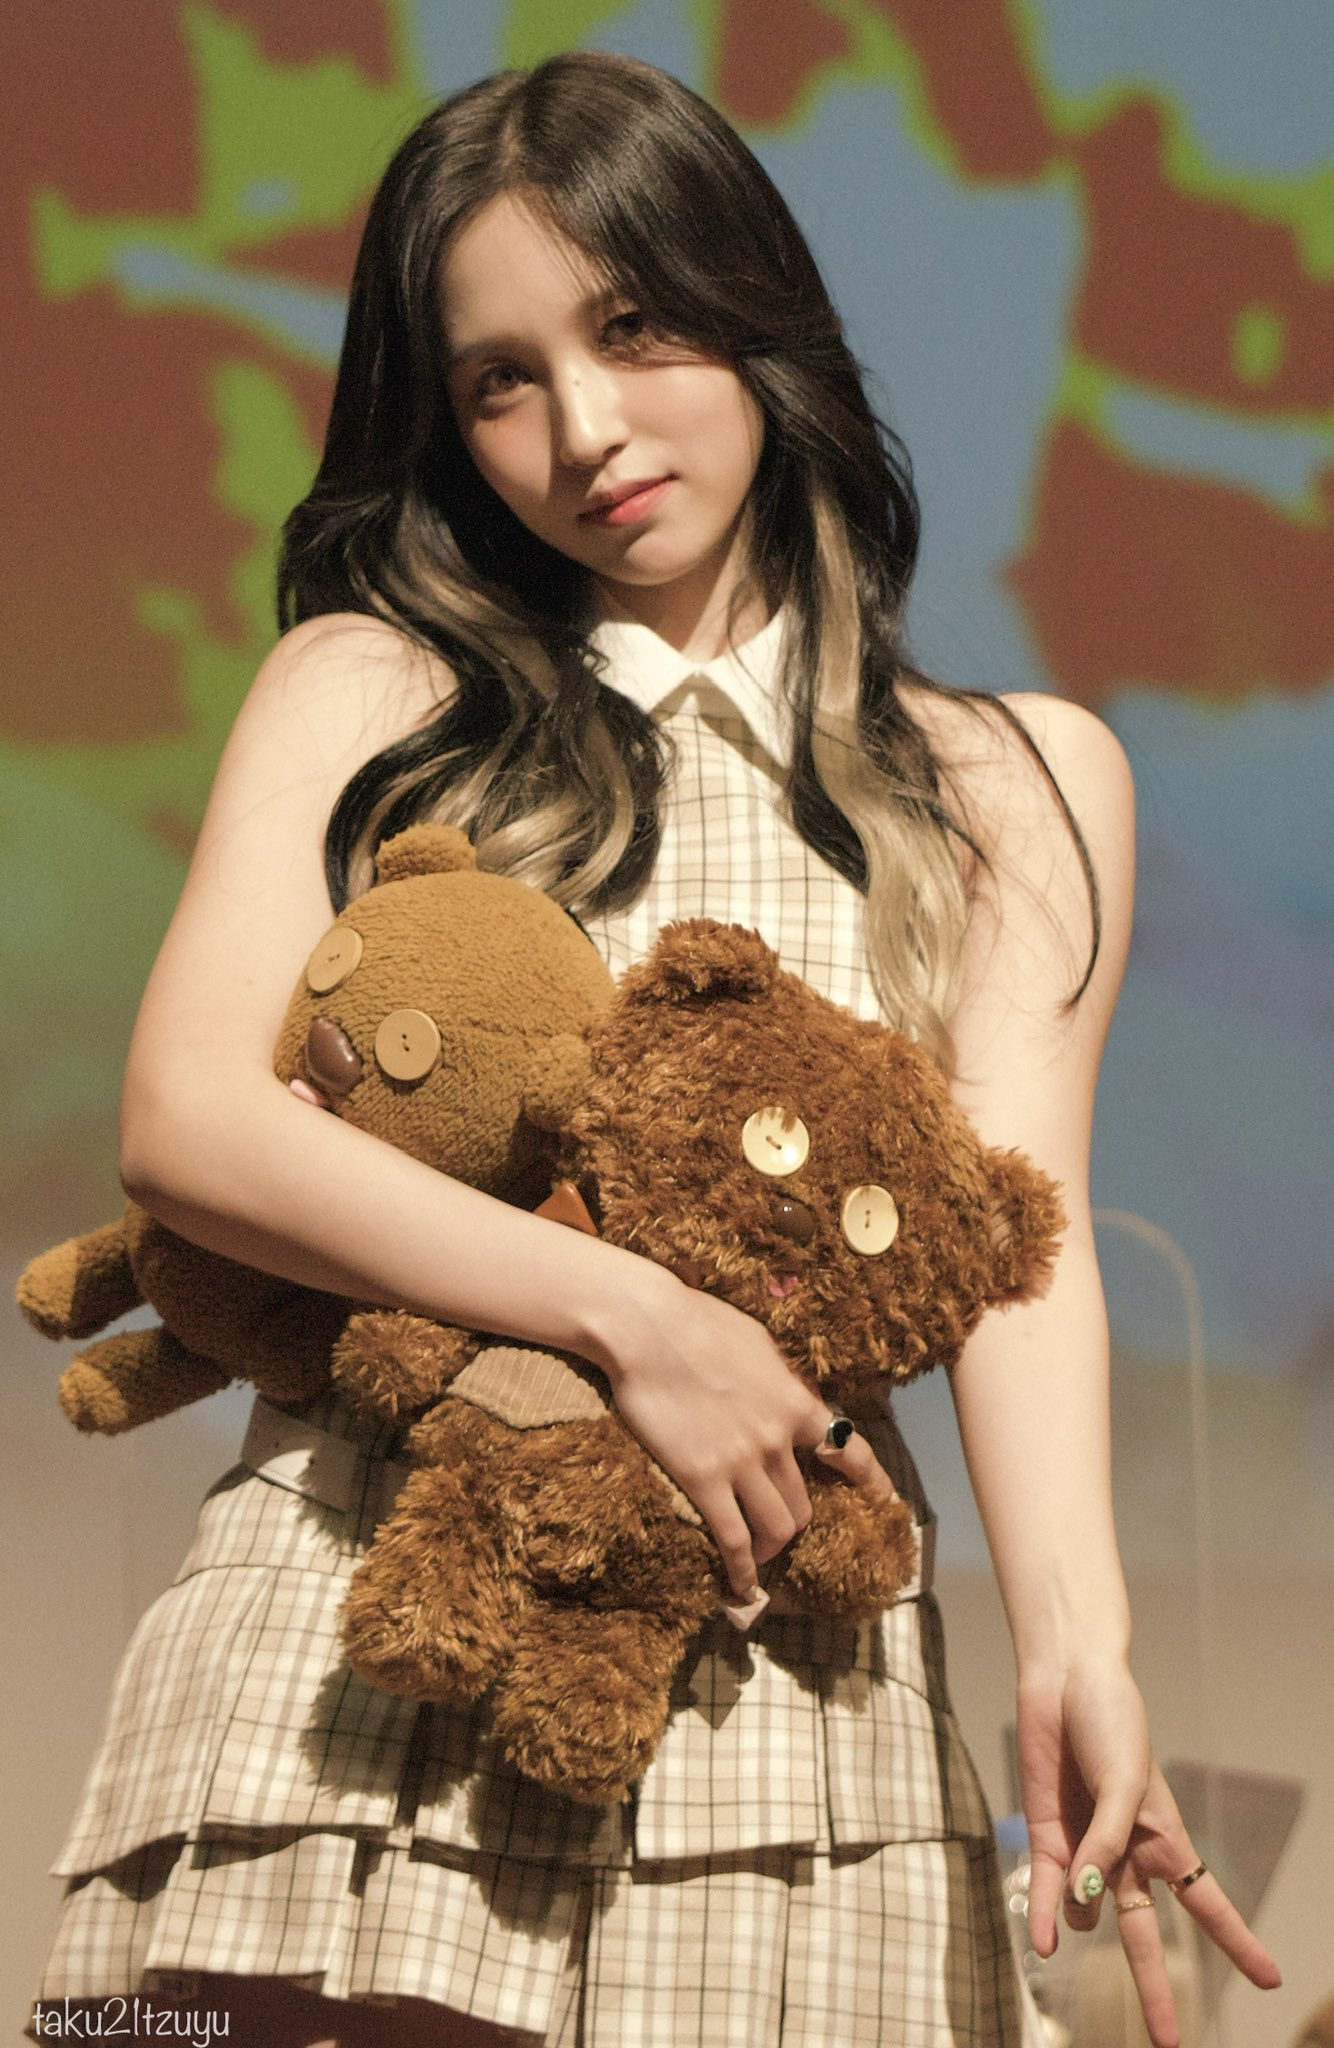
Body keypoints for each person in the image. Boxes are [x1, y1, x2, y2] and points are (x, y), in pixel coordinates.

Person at [31, 50, 1279, 2048]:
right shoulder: (373, 686)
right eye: (498, 380)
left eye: (629, 328)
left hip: (791, 1671)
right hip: (362, 1639)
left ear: (754, 306)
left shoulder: (1012, 781)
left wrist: (1081, 1644)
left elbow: (1012, 1255)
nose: (583, 428)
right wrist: (639, 1321)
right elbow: (186, 1121)